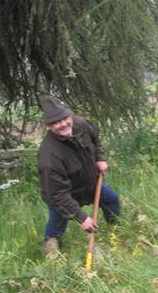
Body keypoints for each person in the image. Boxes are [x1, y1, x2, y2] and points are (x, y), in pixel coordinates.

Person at [37, 95, 121, 255]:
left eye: (64, 118)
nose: (63, 124)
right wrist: (82, 218)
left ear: (69, 116)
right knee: (56, 227)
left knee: (112, 200)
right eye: (56, 122)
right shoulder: (50, 156)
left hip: (90, 184)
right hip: (62, 196)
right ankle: (52, 255)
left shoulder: (81, 124)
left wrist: (100, 158)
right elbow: (57, 195)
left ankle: (115, 231)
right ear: (48, 126)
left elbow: (95, 139)